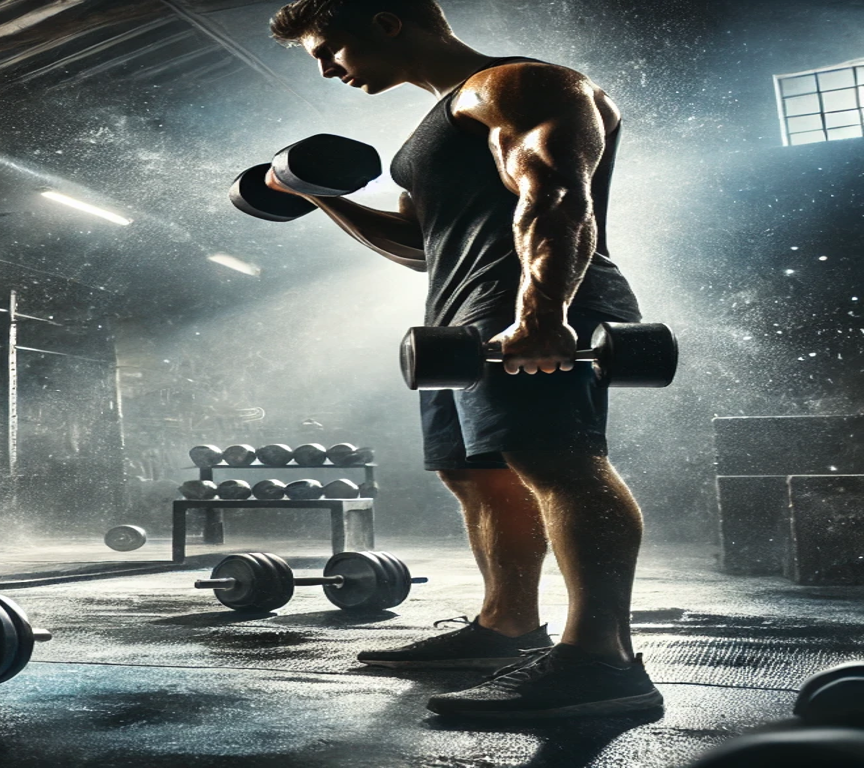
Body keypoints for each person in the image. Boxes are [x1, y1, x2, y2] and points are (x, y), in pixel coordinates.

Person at [266, 0, 663, 719]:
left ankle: (603, 661)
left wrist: (542, 315)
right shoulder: (434, 127)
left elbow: (556, 189)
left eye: (331, 49)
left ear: (386, 22)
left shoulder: (517, 84)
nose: (327, 68)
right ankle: (505, 627)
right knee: (475, 472)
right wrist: (318, 197)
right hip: (460, 311)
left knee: (557, 460)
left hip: (530, 304)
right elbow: (420, 246)